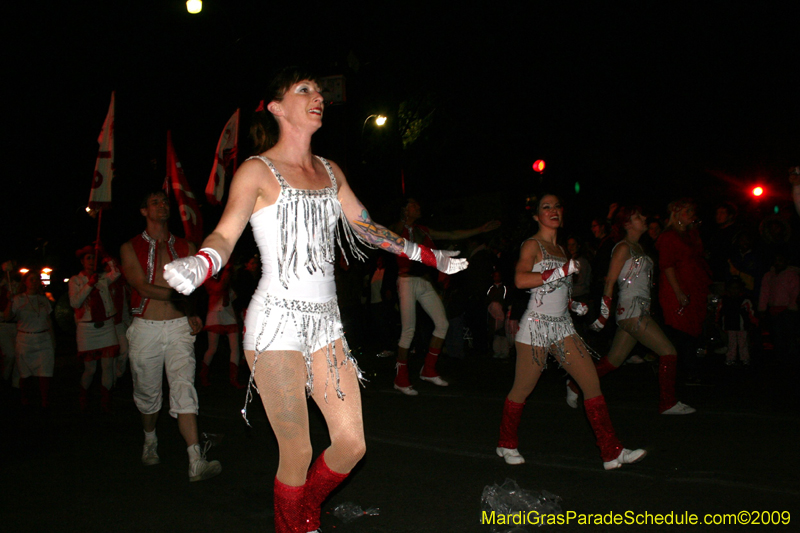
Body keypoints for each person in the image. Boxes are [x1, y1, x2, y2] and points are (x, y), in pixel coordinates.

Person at [161, 67, 468, 533]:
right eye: (304, 90)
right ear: (278, 107)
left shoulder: (329, 171)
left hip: (327, 326)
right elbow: (226, 233)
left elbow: (367, 227)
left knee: (351, 445)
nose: (318, 96)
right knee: (298, 450)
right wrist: (201, 263)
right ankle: (298, 525)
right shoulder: (256, 170)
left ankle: (303, 512)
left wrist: (429, 255)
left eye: (320, 91)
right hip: (275, 324)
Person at [496, 194, 646, 470]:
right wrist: (561, 271)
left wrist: (574, 304)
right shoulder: (533, 245)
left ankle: (611, 451)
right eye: (546, 207)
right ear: (536, 216)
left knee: (591, 384)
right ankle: (506, 442)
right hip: (536, 328)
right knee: (522, 389)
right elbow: (519, 280)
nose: (553, 211)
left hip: (563, 327)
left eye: (556, 206)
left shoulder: (562, 250)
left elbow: (555, 291)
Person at [120, 190, 221, 482]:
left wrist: (191, 310)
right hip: (146, 329)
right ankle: (150, 439)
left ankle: (195, 459)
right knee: (148, 395)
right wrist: (182, 293)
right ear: (143, 211)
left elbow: (196, 285)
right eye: (154, 202)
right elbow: (142, 285)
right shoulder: (130, 247)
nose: (162, 206)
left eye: (165, 202)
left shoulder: (186, 245)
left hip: (178, 328)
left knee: (183, 387)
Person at [568, 206, 695, 414]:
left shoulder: (638, 247)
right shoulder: (623, 248)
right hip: (632, 312)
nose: (643, 218)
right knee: (669, 351)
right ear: (627, 223)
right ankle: (667, 402)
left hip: (637, 311)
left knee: (613, 361)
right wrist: (603, 315)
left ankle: (574, 384)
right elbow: (609, 281)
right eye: (637, 217)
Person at [390, 198, 499, 395]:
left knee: (443, 323)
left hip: (424, 281)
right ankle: (400, 377)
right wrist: (402, 221)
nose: (419, 207)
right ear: (404, 210)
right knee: (408, 331)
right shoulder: (398, 228)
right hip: (406, 280)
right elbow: (388, 234)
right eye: (414, 205)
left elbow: (451, 233)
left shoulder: (423, 229)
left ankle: (428, 369)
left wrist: (481, 229)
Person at [655, 198, 711, 383]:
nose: (692, 215)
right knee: (681, 330)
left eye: (692, 212)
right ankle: (680, 371)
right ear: (677, 214)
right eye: (687, 211)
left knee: (693, 329)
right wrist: (678, 292)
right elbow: (667, 266)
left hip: (694, 287)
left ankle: (688, 368)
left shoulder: (691, 234)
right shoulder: (668, 236)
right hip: (676, 288)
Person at [69, 246, 121, 413]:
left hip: (106, 326)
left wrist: (105, 254)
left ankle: (106, 401)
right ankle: (83, 397)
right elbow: (75, 303)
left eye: (93, 258)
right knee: (90, 369)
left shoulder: (103, 278)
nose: (91, 261)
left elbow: (117, 272)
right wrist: (89, 285)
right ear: (82, 261)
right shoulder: (75, 280)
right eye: (88, 258)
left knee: (107, 366)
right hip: (87, 329)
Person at [4, 272, 55, 408]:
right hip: (25, 339)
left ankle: (45, 401)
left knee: (46, 371)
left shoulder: (43, 299)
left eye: (36, 279)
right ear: (25, 282)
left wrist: (53, 341)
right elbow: (7, 317)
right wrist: (9, 301)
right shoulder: (18, 299)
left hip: (43, 339)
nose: (34, 282)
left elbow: (48, 321)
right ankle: (24, 398)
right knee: (24, 373)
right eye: (31, 279)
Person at [199, 263, 244, 388]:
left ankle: (233, 378)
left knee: (235, 347)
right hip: (215, 315)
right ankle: (203, 375)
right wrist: (227, 273)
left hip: (228, 315)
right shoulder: (209, 279)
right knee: (212, 348)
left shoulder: (229, 280)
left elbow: (235, 297)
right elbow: (218, 288)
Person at [718, 277, 759, 366]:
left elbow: (751, 312)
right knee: (731, 343)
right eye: (732, 288)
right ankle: (730, 358)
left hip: (742, 326)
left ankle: (745, 358)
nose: (734, 290)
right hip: (730, 326)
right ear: (728, 289)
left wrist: (754, 322)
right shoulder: (724, 300)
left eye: (737, 288)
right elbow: (719, 312)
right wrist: (719, 323)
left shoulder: (745, 300)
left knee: (743, 343)